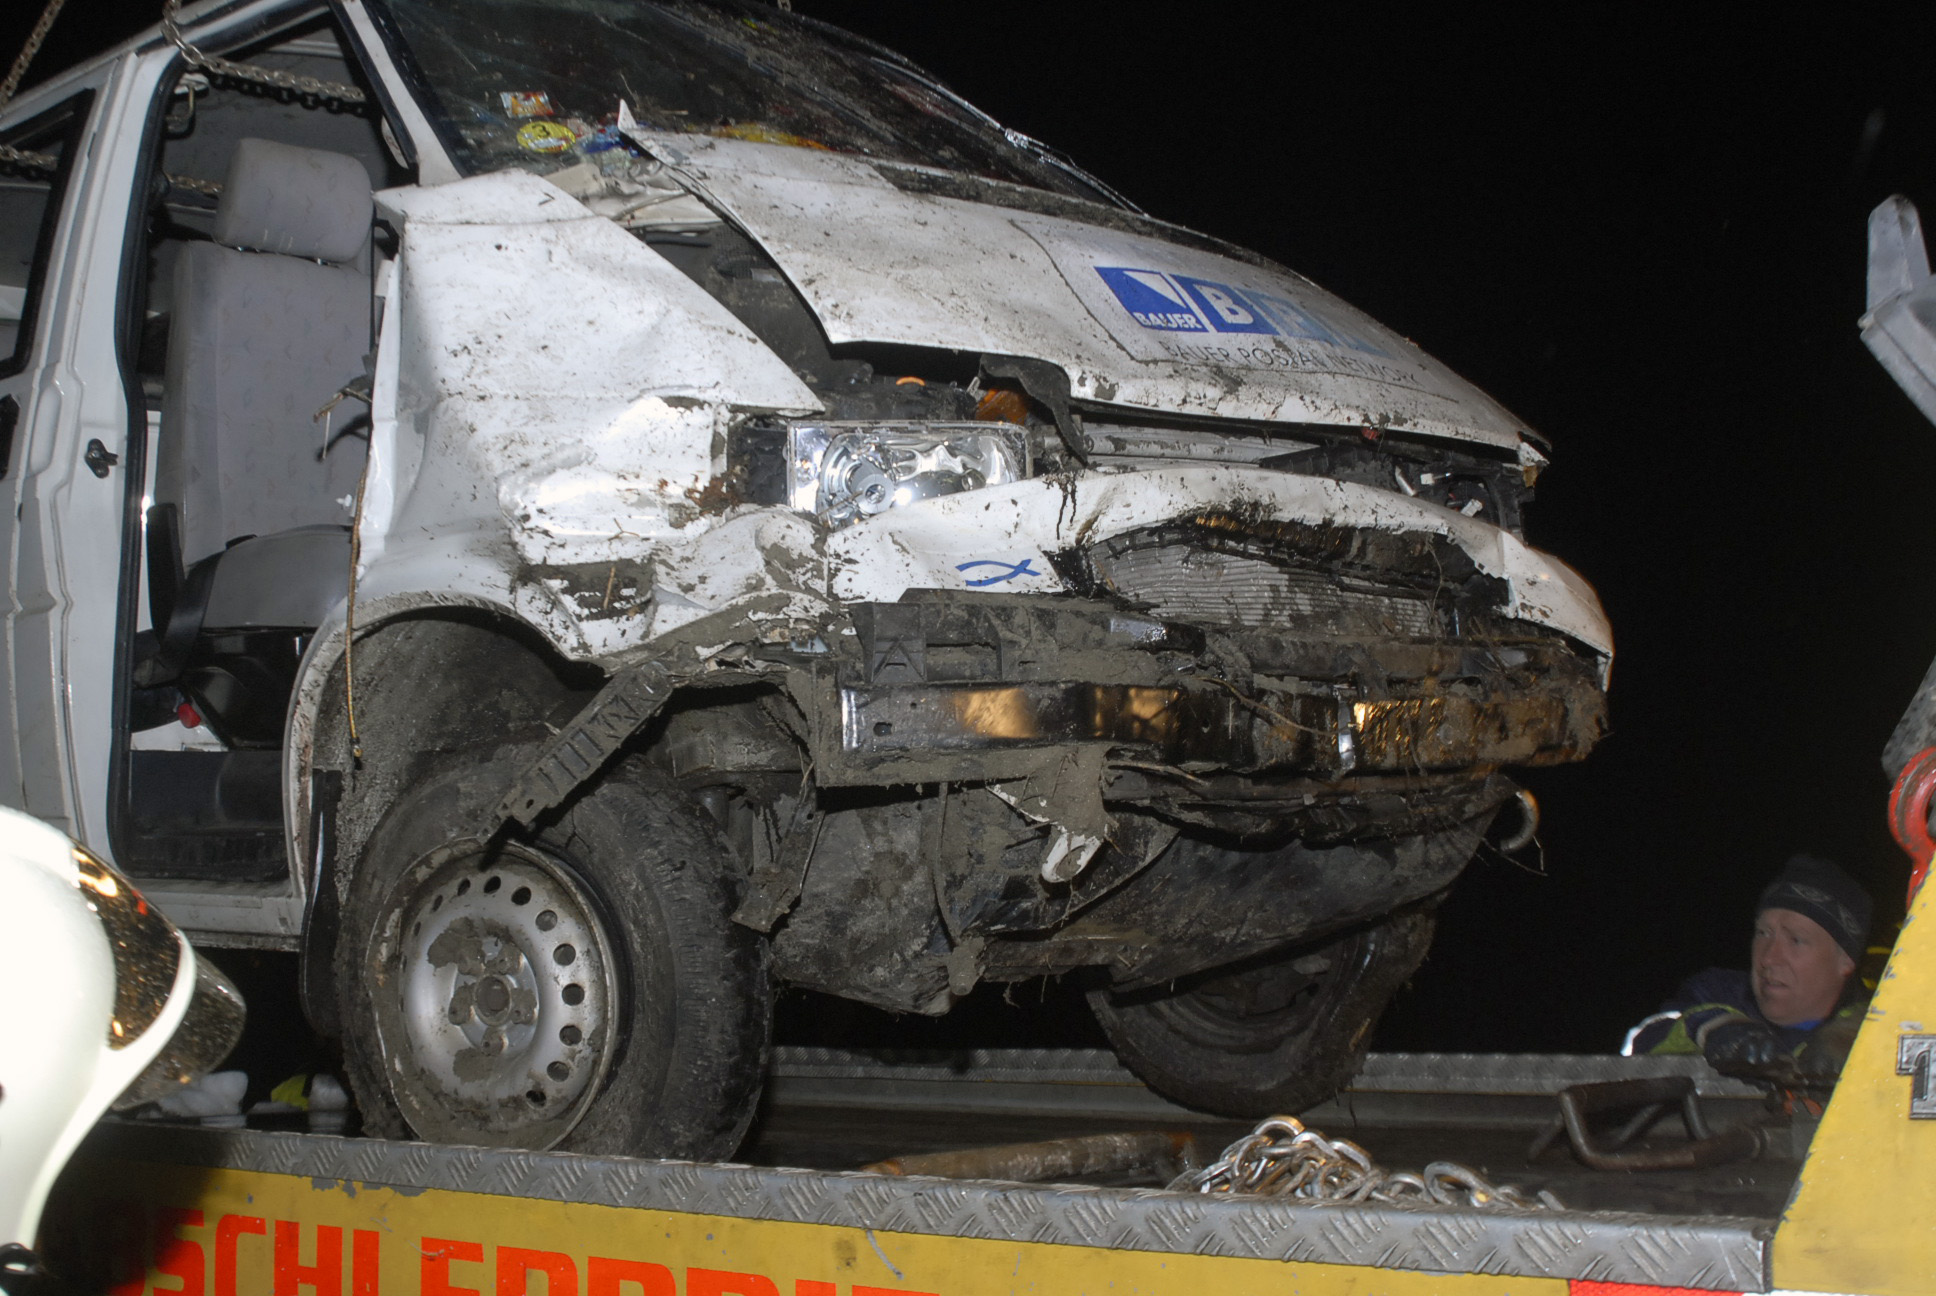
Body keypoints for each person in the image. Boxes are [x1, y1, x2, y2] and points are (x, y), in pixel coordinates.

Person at [1628, 854, 1873, 1081]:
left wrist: (1849, 1045)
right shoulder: (1714, 992)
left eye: (1796, 940)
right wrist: (1710, 1028)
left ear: (1845, 961)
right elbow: (1639, 1044)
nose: (1769, 958)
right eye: (1763, 933)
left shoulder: (1877, 1029)